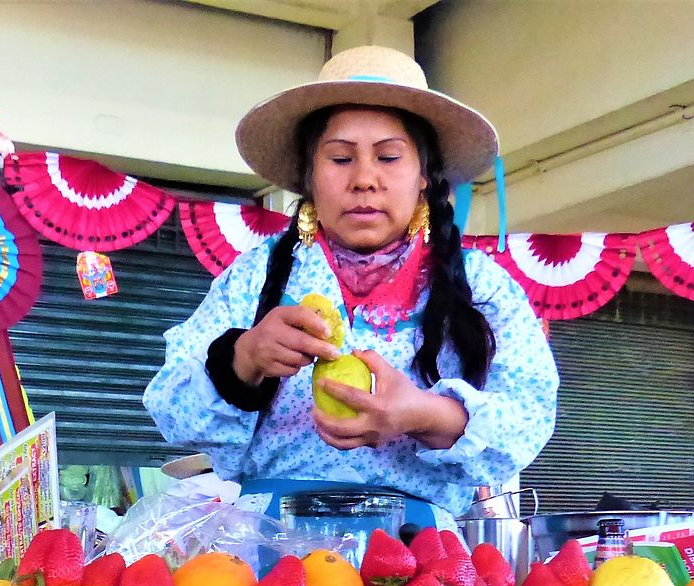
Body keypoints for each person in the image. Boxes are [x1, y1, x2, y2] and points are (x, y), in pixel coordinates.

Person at [143, 45, 558, 530]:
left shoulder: (484, 286)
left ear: (424, 175)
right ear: (309, 177)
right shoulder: (254, 277)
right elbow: (170, 408)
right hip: (270, 545)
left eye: (389, 157)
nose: (364, 179)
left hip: (416, 551)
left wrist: (423, 413)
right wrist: (245, 358)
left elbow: (529, 418)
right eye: (340, 158)